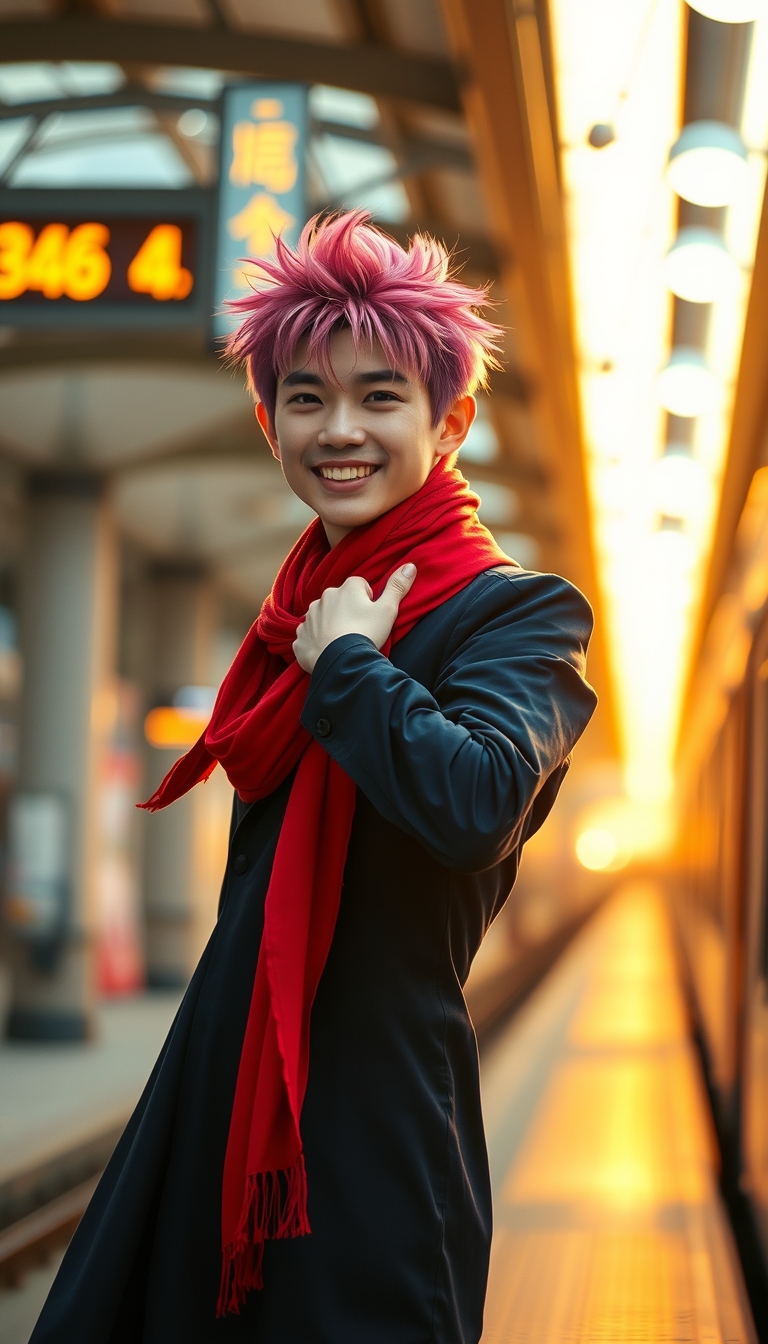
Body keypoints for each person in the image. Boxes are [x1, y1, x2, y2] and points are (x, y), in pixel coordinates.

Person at [31, 210, 596, 1344]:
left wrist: (351, 668)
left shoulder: (516, 616)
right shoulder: (293, 616)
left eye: (381, 397)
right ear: (267, 421)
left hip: (370, 1143)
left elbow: (476, 802)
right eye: (305, 398)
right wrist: (327, 648)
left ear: (452, 422)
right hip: (224, 1101)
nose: (340, 429)